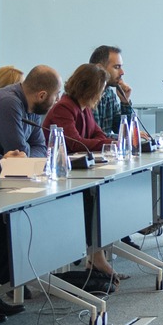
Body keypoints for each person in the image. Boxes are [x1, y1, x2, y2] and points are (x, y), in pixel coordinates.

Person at [43, 64, 119, 289]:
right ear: (91, 89)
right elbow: (75, 143)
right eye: (101, 90)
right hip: (61, 177)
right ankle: (95, 256)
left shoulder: (83, 107)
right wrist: (110, 144)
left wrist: (110, 141)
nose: (102, 95)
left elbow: (96, 133)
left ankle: (96, 255)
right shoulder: (64, 107)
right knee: (93, 198)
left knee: (103, 194)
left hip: (77, 172)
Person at [0, 64, 59, 158]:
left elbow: (41, 148)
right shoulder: (8, 102)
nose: (58, 99)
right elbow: (18, 152)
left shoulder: (35, 106)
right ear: (42, 96)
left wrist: (30, 157)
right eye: (56, 94)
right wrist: (29, 154)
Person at [45, 63, 113, 154]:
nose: (100, 97)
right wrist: (112, 143)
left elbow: (99, 134)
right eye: (100, 92)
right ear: (89, 90)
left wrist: (101, 142)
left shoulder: (86, 108)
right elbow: (75, 144)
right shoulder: (63, 108)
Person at [90, 45, 134, 137]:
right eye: (117, 67)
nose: (122, 72)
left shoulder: (109, 93)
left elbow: (121, 129)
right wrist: (127, 136)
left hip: (106, 146)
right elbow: (93, 135)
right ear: (100, 69)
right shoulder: (85, 93)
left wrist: (125, 102)